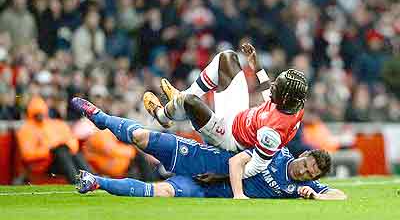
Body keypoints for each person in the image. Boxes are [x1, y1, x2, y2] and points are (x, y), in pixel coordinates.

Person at [70, 97, 345, 200]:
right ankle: (99, 117)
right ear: (304, 154)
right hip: (201, 159)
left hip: (205, 189)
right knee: (142, 137)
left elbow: (340, 195)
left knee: (161, 192)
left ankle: (95, 183)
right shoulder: (276, 152)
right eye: (307, 164)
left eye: (310, 174)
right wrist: (239, 195)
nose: (304, 171)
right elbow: (237, 162)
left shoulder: (298, 190)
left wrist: (317, 196)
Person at [143, 43, 308, 198]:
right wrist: (257, 67)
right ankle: (178, 96)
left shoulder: (272, 133)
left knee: (190, 102)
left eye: (276, 86)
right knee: (227, 58)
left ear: (285, 97)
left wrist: (222, 175)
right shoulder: (292, 106)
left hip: (230, 139)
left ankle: (162, 115)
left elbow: (256, 166)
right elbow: (268, 96)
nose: (273, 86)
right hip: (240, 116)